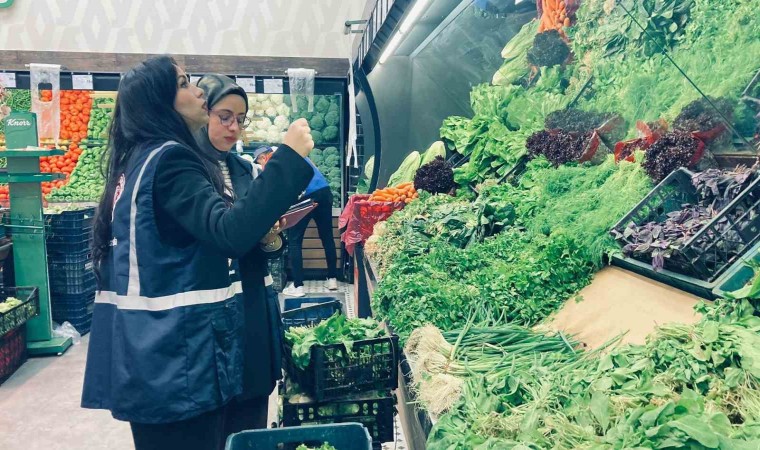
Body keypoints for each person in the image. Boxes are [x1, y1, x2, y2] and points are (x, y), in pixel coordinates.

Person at [81, 56, 314, 450]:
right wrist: (289, 158)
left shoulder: (137, 160)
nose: (198, 91)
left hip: (151, 352)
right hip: (177, 358)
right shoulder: (171, 160)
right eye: (185, 83)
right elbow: (229, 233)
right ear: (161, 101)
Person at [194, 74, 284, 436]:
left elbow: (269, 250)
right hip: (209, 313)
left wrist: (273, 236)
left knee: (251, 409)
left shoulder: (246, 170)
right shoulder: (186, 171)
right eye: (224, 116)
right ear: (205, 114)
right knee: (215, 416)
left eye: (241, 118)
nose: (234, 127)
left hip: (251, 305)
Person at [282, 158, 338, 297]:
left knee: (295, 240)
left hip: (305, 195)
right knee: (327, 237)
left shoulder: (282, 160)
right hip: (325, 192)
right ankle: (332, 279)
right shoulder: (305, 157)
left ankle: (298, 286)